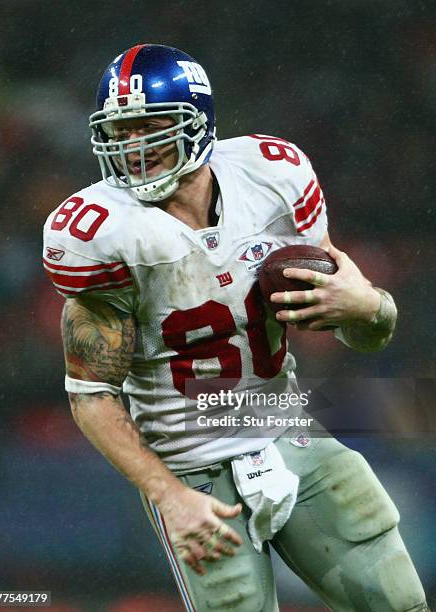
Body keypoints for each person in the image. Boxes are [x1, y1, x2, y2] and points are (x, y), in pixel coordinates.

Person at [43, 44, 429, 611]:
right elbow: (91, 396)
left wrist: (371, 306)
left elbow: (368, 331)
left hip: (290, 427)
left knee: (401, 605)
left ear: (197, 125)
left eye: (149, 127)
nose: (132, 148)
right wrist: (166, 494)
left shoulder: (271, 173)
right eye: (119, 132)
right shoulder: (96, 232)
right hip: (189, 460)